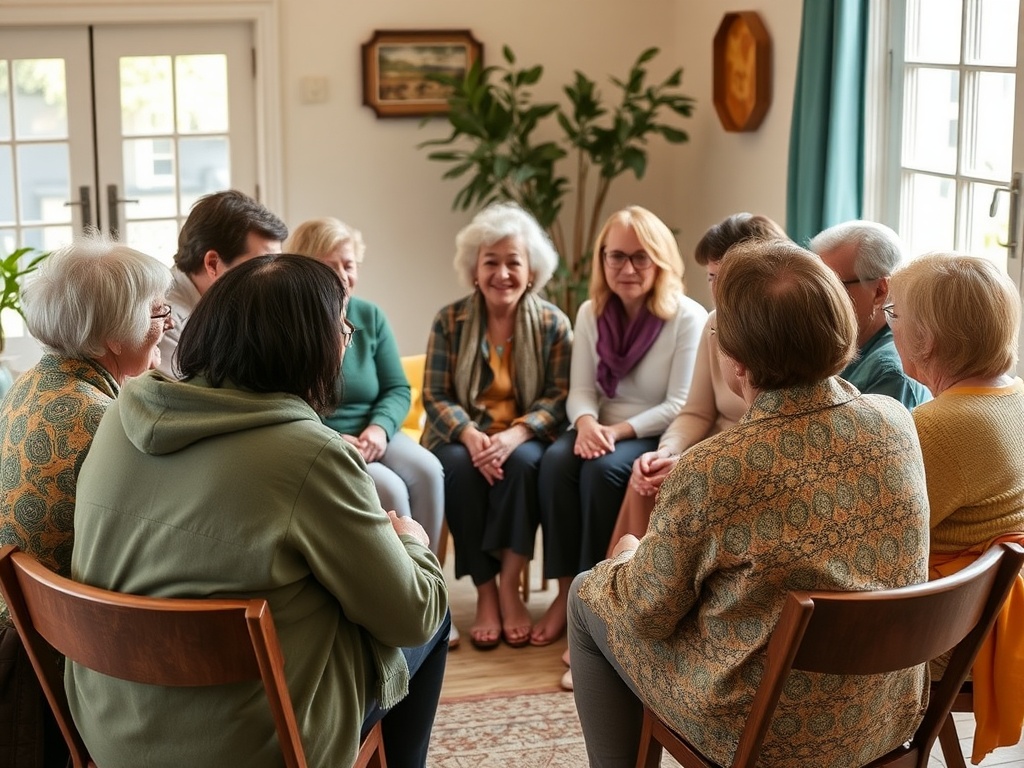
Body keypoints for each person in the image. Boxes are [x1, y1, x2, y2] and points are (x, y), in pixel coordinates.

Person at [66, 255, 449, 768]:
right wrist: (412, 544)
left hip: (110, 729)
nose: (347, 341)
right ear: (308, 346)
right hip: (251, 748)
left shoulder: (119, 415)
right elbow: (412, 616)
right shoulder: (309, 455)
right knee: (435, 608)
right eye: (342, 328)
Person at [569, 240, 931, 768]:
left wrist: (624, 557)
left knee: (587, 594)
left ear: (735, 358)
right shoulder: (896, 422)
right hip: (883, 713)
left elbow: (645, 615)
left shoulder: (715, 468)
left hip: (764, 731)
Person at [0, 237, 172, 768]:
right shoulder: (102, 420)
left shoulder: (31, 383)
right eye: (156, 312)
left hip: (22, 630)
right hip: (57, 663)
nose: (166, 323)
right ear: (111, 337)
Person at [533, 205, 707, 647]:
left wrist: (615, 432)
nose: (627, 269)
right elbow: (580, 390)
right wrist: (587, 423)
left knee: (602, 471)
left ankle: (594, 598)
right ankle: (563, 591)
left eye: (640, 257)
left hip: (648, 431)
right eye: (616, 256)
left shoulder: (686, 317)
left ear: (660, 259)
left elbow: (679, 403)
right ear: (603, 259)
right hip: (597, 427)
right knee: (554, 463)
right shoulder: (591, 312)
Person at [887, 252, 1024, 763]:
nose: (890, 325)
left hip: (948, 632)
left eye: (894, 314)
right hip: (987, 609)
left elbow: (879, 542)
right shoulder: (1014, 397)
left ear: (926, 339)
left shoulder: (938, 426)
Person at [422, 202, 571, 650]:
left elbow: (559, 396)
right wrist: (471, 436)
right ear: (474, 269)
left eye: (513, 262)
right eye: (491, 262)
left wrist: (515, 434)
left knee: (524, 464)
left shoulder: (553, 324)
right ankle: (485, 592)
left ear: (531, 271)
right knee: (457, 467)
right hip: (463, 434)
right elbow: (435, 395)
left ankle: (509, 585)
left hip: (525, 435)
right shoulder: (449, 321)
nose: (502, 273)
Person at [607, 212, 786, 551]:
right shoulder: (714, 323)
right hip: (707, 450)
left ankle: (653, 578)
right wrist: (666, 451)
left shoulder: (783, 331)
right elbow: (696, 412)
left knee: (676, 486)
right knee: (644, 479)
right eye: (711, 276)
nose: (716, 289)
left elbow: (775, 431)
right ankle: (622, 579)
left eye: (726, 276)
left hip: (745, 458)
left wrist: (692, 463)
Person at [286, 218, 445, 555]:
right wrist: (332, 437)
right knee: (391, 488)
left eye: (349, 265)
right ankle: (400, 579)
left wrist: (379, 429)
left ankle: (430, 576)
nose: (343, 276)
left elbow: (397, 388)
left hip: (375, 431)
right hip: (326, 437)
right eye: (330, 266)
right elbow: (288, 400)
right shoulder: (293, 323)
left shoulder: (370, 316)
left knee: (429, 470)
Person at [157, 189, 287, 377]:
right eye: (262, 264)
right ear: (213, 264)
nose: (274, 275)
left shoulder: (234, 304)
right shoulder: (165, 322)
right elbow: (187, 394)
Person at [810, 220, 930, 409]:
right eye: (814, 285)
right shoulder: (838, 344)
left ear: (880, 291)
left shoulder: (888, 374)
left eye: (833, 286)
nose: (816, 298)